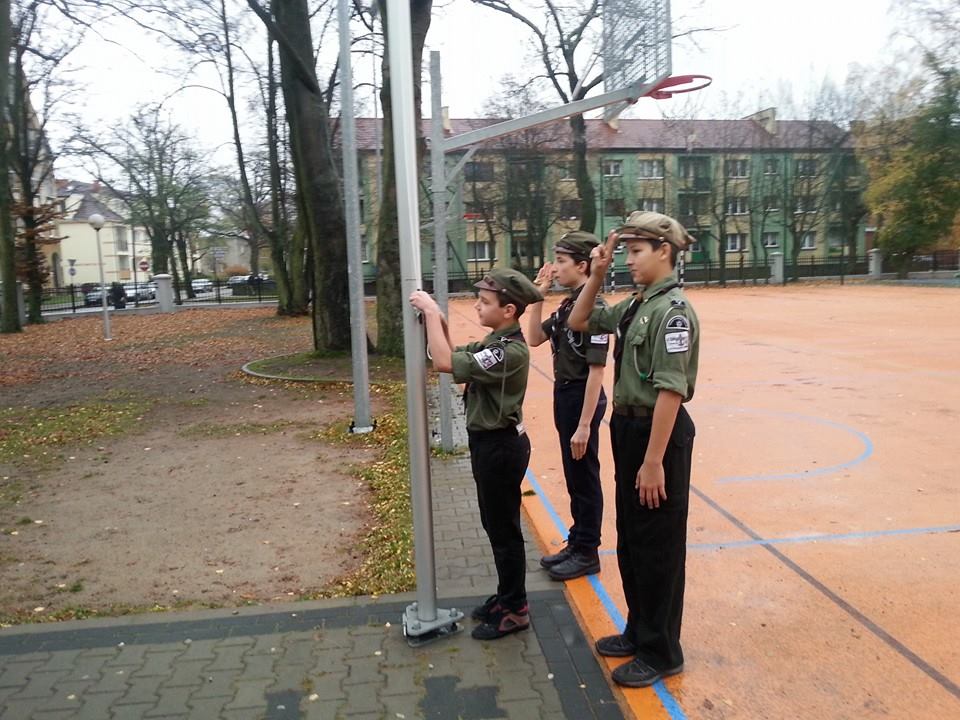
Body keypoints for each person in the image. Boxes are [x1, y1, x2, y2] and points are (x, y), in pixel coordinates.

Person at [568, 211, 699, 688]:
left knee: (658, 546)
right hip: (628, 429)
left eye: (636, 251)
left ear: (664, 251)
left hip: (656, 437)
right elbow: (580, 319)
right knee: (632, 539)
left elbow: (671, 390)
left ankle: (662, 652)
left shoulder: (673, 312)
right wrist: (597, 273)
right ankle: (639, 631)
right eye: (625, 251)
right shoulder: (636, 305)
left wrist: (653, 461)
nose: (628, 259)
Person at [409, 268, 543, 640]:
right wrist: (437, 321)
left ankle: (515, 609)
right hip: (490, 444)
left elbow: (444, 364)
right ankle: (506, 595)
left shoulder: (508, 351)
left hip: (500, 447)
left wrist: (431, 312)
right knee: (495, 525)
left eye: (485, 302)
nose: (477, 306)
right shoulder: (494, 342)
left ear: (509, 310)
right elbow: (453, 356)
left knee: (504, 531)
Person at [526, 231, 609, 580]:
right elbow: (534, 337)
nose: (556, 268)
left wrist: (585, 424)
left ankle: (588, 551)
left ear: (583, 265)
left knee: (585, 475)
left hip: (582, 398)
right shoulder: (567, 306)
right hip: (565, 395)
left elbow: (597, 371)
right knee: (574, 475)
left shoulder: (594, 309)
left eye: (562, 261)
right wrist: (538, 296)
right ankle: (577, 541)